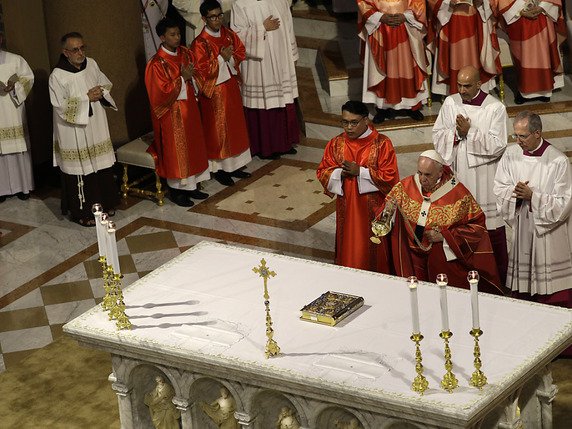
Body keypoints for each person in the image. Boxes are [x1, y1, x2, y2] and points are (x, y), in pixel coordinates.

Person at [383, 150, 503, 293]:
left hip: (442, 258)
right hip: (412, 257)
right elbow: (386, 209)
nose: (422, 179)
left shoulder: (458, 194)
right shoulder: (407, 185)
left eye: (427, 175)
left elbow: (477, 226)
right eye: (419, 173)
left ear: (440, 173)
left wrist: (445, 236)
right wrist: (389, 210)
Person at [433, 65, 508, 285]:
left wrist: (470, 132)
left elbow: (498, 145)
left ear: (479, 84)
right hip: (459, 173)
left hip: (484, 178)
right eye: (459, 85)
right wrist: (457, 133)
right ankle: (461, 277)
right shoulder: (450, 103)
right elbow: (438, 135)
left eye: (467, 86)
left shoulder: (495, 108)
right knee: (459, 226)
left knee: (488, 227)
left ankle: (494, 280)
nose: (462, 90)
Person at [494, 111, 572, 309]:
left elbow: (565, 203)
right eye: (516, 135)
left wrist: (533, 197)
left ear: (537, 133)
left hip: (548, 232)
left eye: (523, 136)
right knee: (523, 287)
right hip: (523, 226)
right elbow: (499, 187)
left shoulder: (558, 161)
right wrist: (516, 194)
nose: (518, 141)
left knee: (552, 293)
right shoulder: (511, 155)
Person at [317, 100, 399, 272]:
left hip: (373, 210)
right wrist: (340, 174)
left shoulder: (382, 144)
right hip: (346, 207)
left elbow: (390, 178)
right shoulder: (336, 143)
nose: (348, 127)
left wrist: (360, 172)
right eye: (345, 122)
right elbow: (323, 170)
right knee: (349, 245)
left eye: (354, 122)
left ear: (366, 120)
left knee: (370, 249)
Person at [49, 32, 119, 226]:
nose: (80, 53)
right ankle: (83, 213)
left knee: (100, 164)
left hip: (95, 124)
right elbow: (60, 106)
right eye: (75, 50)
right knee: (82, 169)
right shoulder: (57, 76)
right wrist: (86, 98)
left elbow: (104, 83)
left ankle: (106, 203)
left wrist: (101, 91)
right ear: (65, 53)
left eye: (82, 48)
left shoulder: (92, 64)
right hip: (73, 130)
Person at [145, 17, 210, 208]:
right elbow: (159, 94)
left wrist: (194, 78)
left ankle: (193, 186)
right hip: (171, 115)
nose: (177, 38)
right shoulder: (156, 64)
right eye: (172, 35)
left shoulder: (185, 53)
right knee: (178, 151)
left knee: (193, 146)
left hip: (190, 109)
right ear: (162, 37)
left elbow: (197, 73)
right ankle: (177, 191)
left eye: (179, 34)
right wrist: (182, 79)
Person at [191, 0, 252, 187]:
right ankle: (220, 169)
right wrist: (220, 58)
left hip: (231, 87)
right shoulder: (200, 43)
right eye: (212, 17)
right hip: (215, 93)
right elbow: (201, 70)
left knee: (234, 126)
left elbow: (240, 51)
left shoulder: (227, 34)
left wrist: (231, 58)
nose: (217, 20)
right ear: (204, 18)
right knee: (219, 130)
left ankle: (235, 166)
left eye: (219, 15)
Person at [231, 0, 300, 159]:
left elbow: (289, 26)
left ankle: (284, 143)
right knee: (262, 102)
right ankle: (265, 147)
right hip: (258, 64)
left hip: (282, 57)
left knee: (283, 99)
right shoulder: (241, 4)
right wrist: (262, 28)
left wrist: (292, 53)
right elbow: (236, 37)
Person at [357, 0, 429, 123]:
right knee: (383, 67)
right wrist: (380, 17)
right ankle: (382, 107)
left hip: (406, 26)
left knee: (407, 66)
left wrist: (405, 16)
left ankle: (412, 105)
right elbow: (363, 2)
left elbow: (419, 3)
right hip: (380, 28)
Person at [428, 0, 501, 96]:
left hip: (476, 18)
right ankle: (454, 91)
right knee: (455, 56)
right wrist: (447, 2)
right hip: (450, 20)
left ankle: (478, 89)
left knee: (475, 53)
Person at [498, 0, 566, 104]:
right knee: (523, 55)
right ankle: (524, 92)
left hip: (543, 15)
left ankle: (545, 91)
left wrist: (542, 6)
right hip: (519, 18)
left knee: (543, 55)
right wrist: (521, 9)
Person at [0, 32, 35, 203]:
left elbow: (28, 78)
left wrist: (15, 87)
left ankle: (23, 187)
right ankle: (2, 189)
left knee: (18, 148)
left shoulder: (15, 59)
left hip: (13, 110)